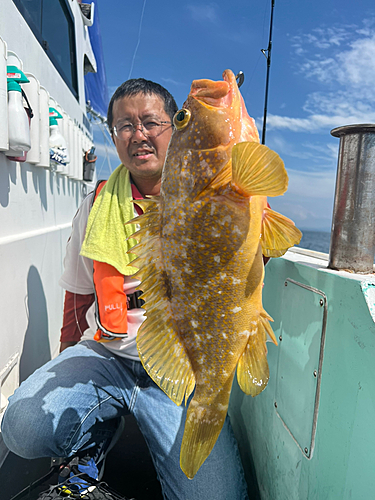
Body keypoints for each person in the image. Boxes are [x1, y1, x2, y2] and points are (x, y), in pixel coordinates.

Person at [1, 78, 250, 499]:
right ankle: (89, 444)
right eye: (124, 126)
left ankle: (106, 425)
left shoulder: (214, 197)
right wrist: (68, 367)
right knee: (21, 426)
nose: (138, 135)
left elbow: (245, 264)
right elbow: (79, 297)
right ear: (114, 136)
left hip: (178, 363)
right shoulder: (96, 204)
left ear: (174, 128)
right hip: (106, 353)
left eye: (151, 122)